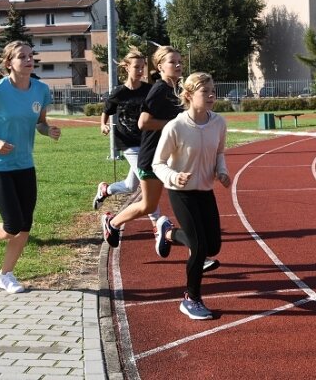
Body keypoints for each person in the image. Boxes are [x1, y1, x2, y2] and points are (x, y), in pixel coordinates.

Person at [0, 40, 61, 294]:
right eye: (22, 57)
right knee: (12, 224)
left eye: (31, 56)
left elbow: (40, 123)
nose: (29, 60)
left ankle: (5, 275)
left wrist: (48, 130)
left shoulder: (40, 89)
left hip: (24, 163)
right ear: (9, 63)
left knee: (25, 225)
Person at [152, 72, 230, 320]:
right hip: (180, 192)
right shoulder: (175, 126)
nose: (211, 96)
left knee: (213, 246)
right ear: (188, 95)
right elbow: (158, 163)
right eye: (205, 92)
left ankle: (167, 232)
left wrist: (222, 172)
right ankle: (191, 298)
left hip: (205, 190)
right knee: (198, 247)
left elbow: (219, 152)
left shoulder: (218, 123)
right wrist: (174, 177)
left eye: (213, 91)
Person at [100, 46, 183, 255]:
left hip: (168, 154)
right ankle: (121, 223)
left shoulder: (175, 89)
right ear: (160, 66)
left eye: (180, 61)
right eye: (173, 62)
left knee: (179, 200)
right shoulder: (159, 89)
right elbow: (143, 122)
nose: (179, 65)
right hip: (149, 154)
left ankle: (191, 248)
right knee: (148, 204)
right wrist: (173, 124)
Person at [92, 49, 161, 229]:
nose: (140, 71)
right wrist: (103, 125)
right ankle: (158, 224)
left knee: (131, 186)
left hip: (145, 141)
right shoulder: (118, 93)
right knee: (147, 178)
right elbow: (106, 112)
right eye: (136, 67)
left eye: (142, 67)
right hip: (127, 143)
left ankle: (105, 190)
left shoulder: (149, 89)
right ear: (127, 68)